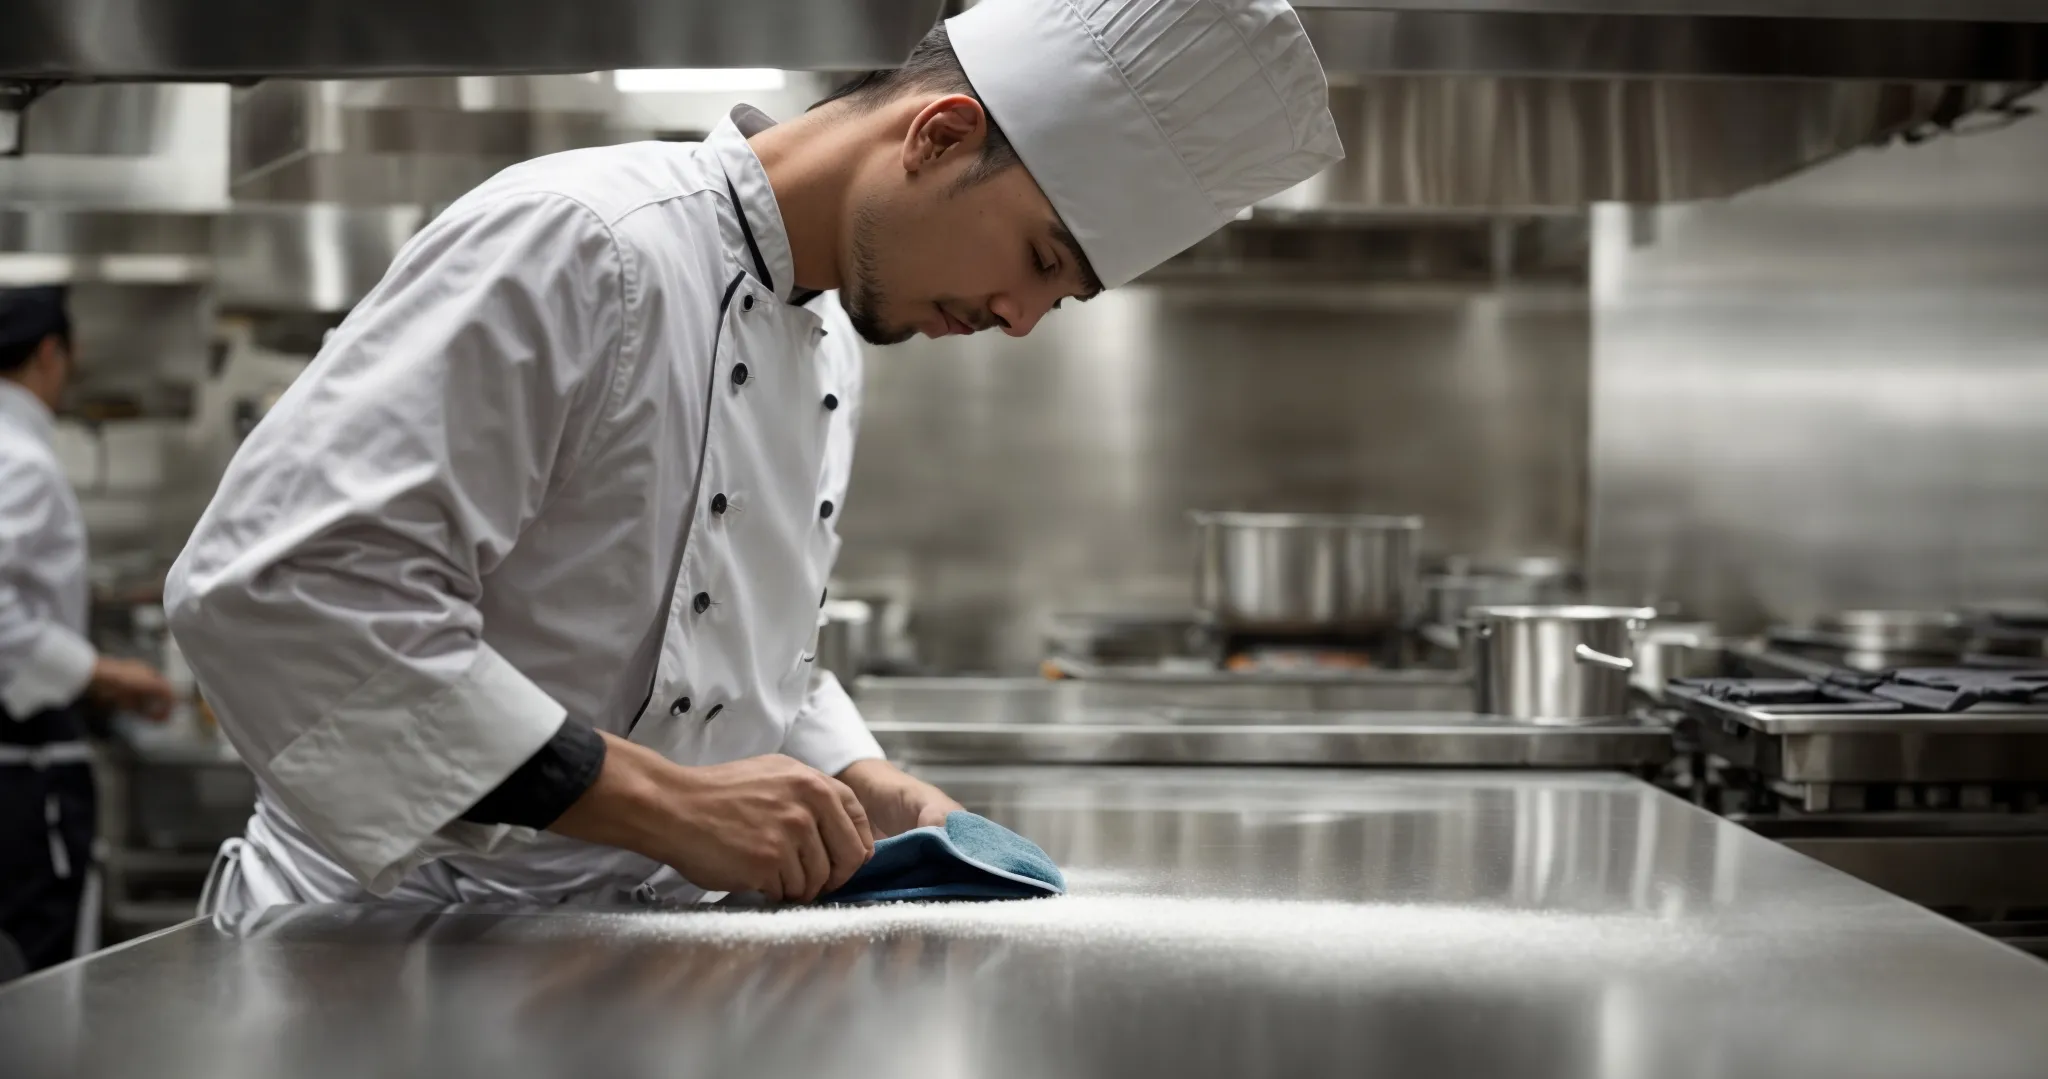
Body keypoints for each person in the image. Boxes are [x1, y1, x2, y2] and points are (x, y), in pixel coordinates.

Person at [166, 0, 1342, 914]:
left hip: (618, 958)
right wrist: (667, 806)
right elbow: (285, 592)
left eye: (1062, 298)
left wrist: (848, 771)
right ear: (939, 135)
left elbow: (722, 640)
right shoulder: (580, 243)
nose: (1023, 317)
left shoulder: (831, 329)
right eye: (1038, 259)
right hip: (383, 954)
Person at [0, 286, 175, 972]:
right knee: (32, 984)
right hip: (21, 774)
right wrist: (103, 673)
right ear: (51, 352)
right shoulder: (21, 460)